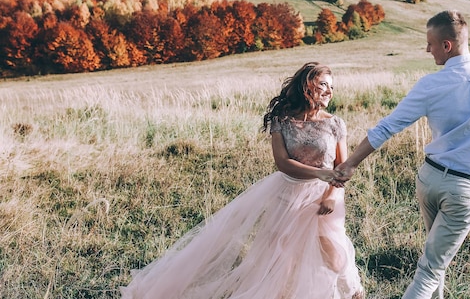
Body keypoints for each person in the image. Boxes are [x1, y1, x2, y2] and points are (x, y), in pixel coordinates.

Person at [120, 62, 364, 299]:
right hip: (287, 192)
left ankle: (353, 290)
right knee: (280, 254)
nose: (330, 91)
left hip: (323, 197)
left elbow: (341, 169)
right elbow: (282, 162)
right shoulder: (283, 120)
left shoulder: (334, 123)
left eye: (332, 86)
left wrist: (331, 194)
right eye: (324, 84)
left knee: (333, 253)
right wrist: (318, 173)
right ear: (307, 86)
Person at [333, 10, 470, 299]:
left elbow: (386, 128)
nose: (428, 49)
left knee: (434, 261)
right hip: (465, 188)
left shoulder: (430, 85)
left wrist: (351, 163)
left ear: (447, 46)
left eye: (430, 44)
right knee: (431, 267)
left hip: (430, 180)